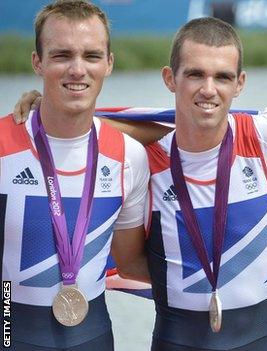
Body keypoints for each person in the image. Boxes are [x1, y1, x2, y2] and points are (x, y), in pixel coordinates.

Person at [140, 17, 267, 350]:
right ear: (169, 78)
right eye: (195, 74)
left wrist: (264, 265)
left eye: (222, 76)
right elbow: (131, 259)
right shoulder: (141, 162)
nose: (209, 89)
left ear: (240, 83)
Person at [0, 1, 150, 350]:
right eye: (62, 55)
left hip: (92, 337)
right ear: (38, 61)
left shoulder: (129, 156)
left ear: (109, 63)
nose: (77, 69)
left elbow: (130, 263)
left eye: (92, 56)